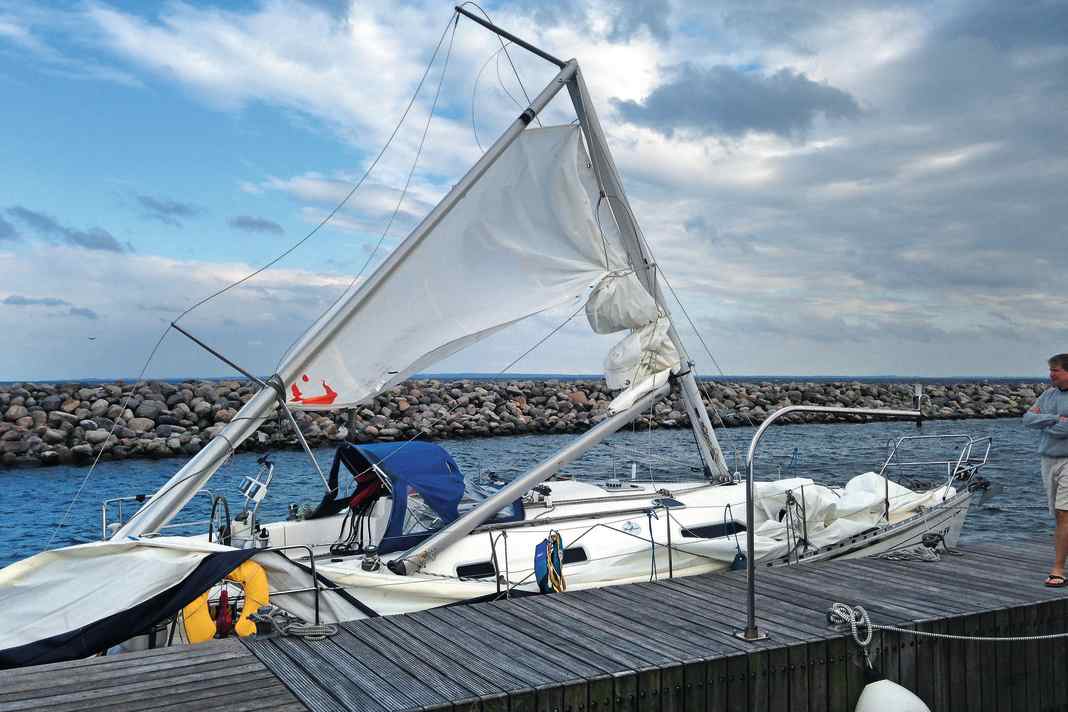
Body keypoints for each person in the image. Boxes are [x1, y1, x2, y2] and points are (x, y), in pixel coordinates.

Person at [1023, 353, 1068, 587]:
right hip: (1047, 460)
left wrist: (1047, 423)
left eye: (1056, 370)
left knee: (1064, 514)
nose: (1051, 375)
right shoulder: (1048, 395)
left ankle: (1058, 568)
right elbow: (1028, 419)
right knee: (1058, 515)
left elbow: (1065, 429)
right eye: (1050, 370)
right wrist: (1055, 419)